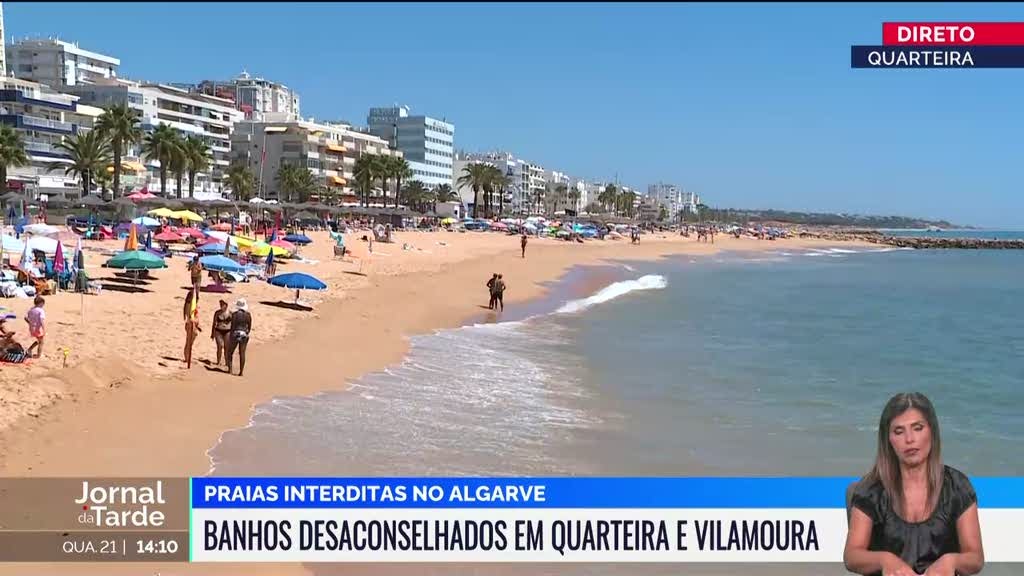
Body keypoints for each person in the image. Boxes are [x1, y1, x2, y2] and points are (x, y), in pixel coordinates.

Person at [844, 392, 984, 576]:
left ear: (932, 431)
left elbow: (975, 558)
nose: (909, 439)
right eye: (899, 431)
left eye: (917, 428)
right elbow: (852, 556)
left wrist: (951, 562)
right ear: (888, 440)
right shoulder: (871, 489)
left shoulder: (957, 486)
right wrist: (885, 560)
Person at [225, 298, 252, 377]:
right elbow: (249, 326)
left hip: (236, 333)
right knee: (242, 353)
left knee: (230, 352)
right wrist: (246, 332)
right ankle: (241, 372)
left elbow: (233, 326)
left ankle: (230, 370)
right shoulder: (248, 315)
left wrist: (231, 336)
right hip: (244, 334)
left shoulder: (235, 314)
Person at [182, 288, 201, 368]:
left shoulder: (191, 305)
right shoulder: (189, 305)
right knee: (189, 341)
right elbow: (190, 316)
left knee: (190, 341)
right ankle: (187, 357)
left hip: (193, 324)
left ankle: (187, 356)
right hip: (191, 324)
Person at [210, 299, 232, 366]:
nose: (221, 306)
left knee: (226, 347)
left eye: (223, 304)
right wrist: (212, 333)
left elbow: (233, 324)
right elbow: (214, 323)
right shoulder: (217, 313)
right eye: (220, 304)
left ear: (226, 305)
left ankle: (226, 362)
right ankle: (218, 361)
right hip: (218, 331)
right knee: (219, 346)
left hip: (227, 331)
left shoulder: (230, 313)